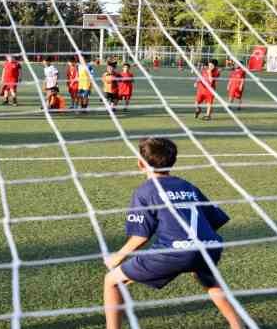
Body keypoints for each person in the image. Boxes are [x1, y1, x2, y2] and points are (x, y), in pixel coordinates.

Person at [103, 137, 242, 329]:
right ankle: (238, 326)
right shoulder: (187, 186)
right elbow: (214, 219)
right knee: (208, 278)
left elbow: (140, 237)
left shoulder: (145, 191)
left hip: (176, 252)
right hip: (210, 246)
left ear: (140, 164)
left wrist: (116, 258)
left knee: (111, 281)